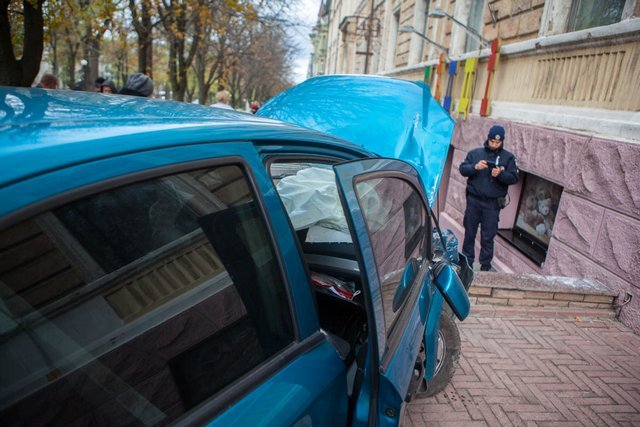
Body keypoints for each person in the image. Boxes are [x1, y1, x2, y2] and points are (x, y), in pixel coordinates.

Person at [459, 125, 518, 272]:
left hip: (492, 205)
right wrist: (475, 167)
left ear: (502, 141)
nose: (494, 144)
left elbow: (514, 178)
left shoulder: (508, 158)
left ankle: (485, 266)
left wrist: (501, 174)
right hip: (474, 201)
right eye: (492, 141)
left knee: (488, 236)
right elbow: (462, 169)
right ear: (488, 139)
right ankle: (467, 263)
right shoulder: (475, 154)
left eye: (498, 142)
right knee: (469, 233)